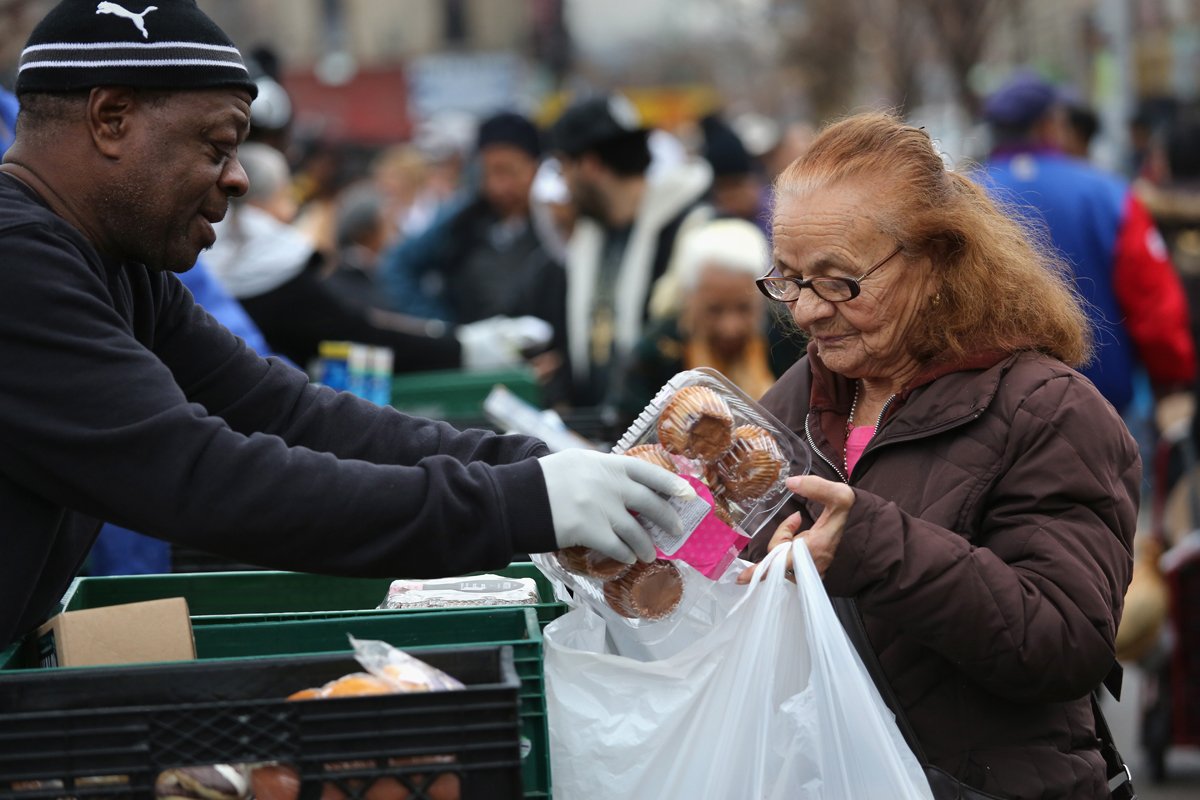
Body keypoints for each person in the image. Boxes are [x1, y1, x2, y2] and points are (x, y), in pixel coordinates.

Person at [0, 0, 690, 650]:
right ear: (111, 117)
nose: (239, 178)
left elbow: (286, 411)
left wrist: (533, 464)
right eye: (216, 145)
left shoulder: (118, 268)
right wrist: (518, 502)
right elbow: (207, 478)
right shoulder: (19, 265)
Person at [741, 113, 1137, 798]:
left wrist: (870, 543)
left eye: (839, 281)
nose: (804, 311)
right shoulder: (808, 389)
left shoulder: (1048, 410)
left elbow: (1066, 641)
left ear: (937, 260)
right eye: (789, 278)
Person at [980, 71, 1195, 420]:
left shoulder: (965, 200)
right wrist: (1173, 380)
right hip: (1104, 413)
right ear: (1050, 125)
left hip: (990, 417)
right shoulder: (1108, 194)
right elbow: (1155, 307)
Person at [548, 93, 712, 410]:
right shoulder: (588, 237)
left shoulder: (691, 232)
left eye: (564, 168)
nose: (563, 185)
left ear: (591, 164)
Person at [379, 110, 564, 338]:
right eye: (490, 172)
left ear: (536, 168)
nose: (499, 186)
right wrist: (443, 327)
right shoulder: (462, 221)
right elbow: (397, 265)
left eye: (509, 171)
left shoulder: (555, 223)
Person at [620, 218, 775, 418]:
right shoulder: (654, 355)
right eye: (714, 310)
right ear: (688, 299)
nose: (730, 328)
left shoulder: (785, 343)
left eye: (744, 309)